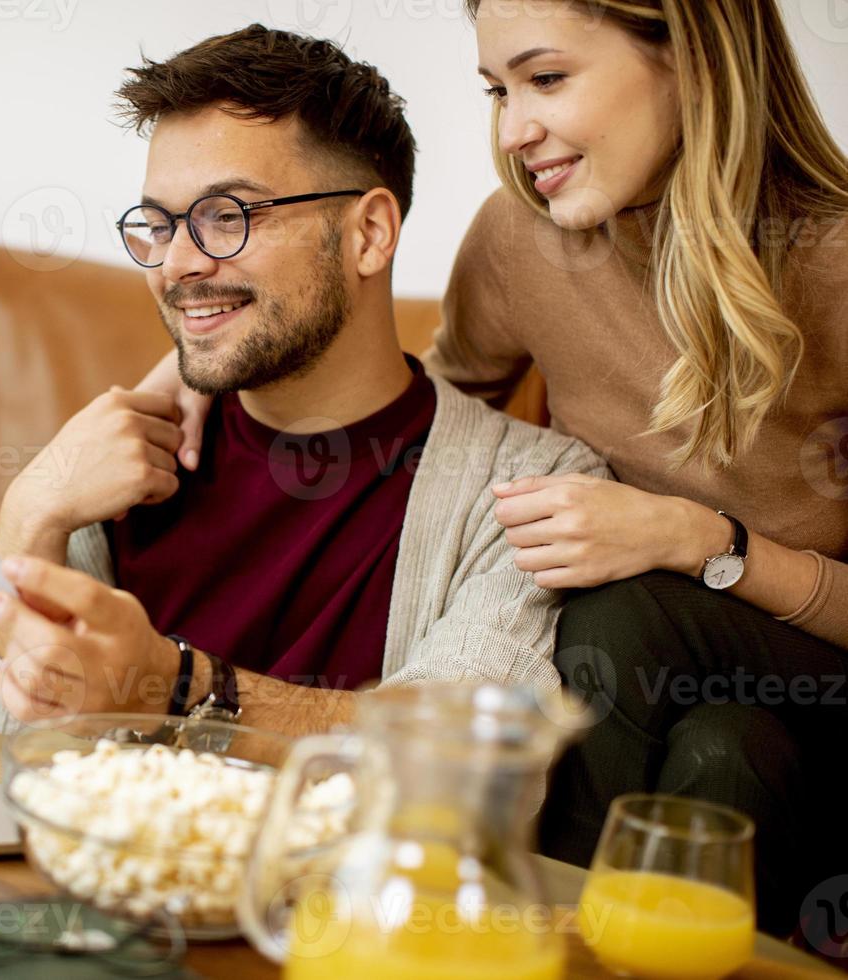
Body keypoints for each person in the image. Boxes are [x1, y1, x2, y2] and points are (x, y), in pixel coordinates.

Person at [141, 1, 848, 936]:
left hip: (813, 659)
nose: (514, 131)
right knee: (727, 758)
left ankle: (504, 942)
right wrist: (204, 363)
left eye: (546, 79)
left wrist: (701, 542)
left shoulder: (832, 262)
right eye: (497, 90)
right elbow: (428, 415)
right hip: (703, 705)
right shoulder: (524, 239)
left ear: (692, 60)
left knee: (615, 605)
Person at [0, 25, 606, 741]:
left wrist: (176, 685)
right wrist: (32, 515)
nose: (176, 264)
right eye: (159, 224)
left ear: (368, 234)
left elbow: (464, 760)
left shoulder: (528, 492)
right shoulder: (116, 460)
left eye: (227, 217)